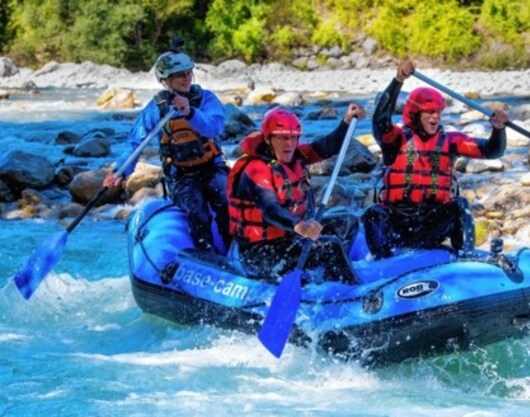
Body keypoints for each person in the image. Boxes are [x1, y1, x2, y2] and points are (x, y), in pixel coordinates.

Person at [363, 60, 509, 259]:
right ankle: (383, 262)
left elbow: (492, 151)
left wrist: (498, 129)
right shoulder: (395, 139)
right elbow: (380, 120)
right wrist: (398, 80)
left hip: (432, 225)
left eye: (438, 112)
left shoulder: (452, 141)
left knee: (459, 204)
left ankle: (465, 254)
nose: (435, 117)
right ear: (415, 114)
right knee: (373, 214)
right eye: (429, 112)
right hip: (398, 226)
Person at [105, 37, 230, 254]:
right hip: (181, 175)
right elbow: (136, 142)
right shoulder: (157, 108)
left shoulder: (205, 99)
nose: (187, 78)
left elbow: (215, 127)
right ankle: (207, 257)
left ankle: (235, 251)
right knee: (197, 211)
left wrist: (190, 112)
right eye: (180, 75)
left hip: (212, 168)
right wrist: (120, 172)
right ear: (166, 80)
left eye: (189, 72)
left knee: (227, 201)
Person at [227, 105, 365, 284]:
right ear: (269, 139)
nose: (290, 144)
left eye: (293, 138)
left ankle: (330, 276)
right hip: (259, 253)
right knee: (328, 245)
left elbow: (326, 147)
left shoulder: (296, 156)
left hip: (288, 238)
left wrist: (346, 121)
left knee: (347, 222)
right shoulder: (256, 170)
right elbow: (270, 209)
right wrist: (298, 226)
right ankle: (346, 291)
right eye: (283, 138)